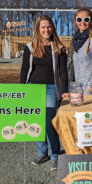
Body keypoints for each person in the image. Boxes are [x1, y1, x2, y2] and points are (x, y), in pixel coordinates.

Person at [20, 15, 68, 170]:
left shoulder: (58, 48)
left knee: (48, 122)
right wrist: (23, 90)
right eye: (43, 27)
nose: (46, 30)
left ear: (52, 28)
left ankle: (55, 154)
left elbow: (63, 72)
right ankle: (42, 153)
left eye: (48, 26)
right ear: (38, 29)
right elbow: (25, 69)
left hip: (51, 88)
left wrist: (64, 91)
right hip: (33, 87)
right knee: (36, 121)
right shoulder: (30, 47)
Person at [67, 7, 92, 95]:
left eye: (86, 19)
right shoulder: (75, 40)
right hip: (78, 89)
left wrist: (90, 86)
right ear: (76, 21)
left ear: (91, 21)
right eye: (79, 19)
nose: (82, 22)